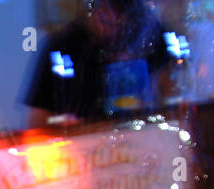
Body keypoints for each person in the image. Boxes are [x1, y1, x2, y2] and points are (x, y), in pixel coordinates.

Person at [24, 0, 177, 125]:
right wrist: (62, 124)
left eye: (120, 12)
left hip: (148, 140)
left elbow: (175, 97)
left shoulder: (154, 37)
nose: (111, 17)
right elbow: (38, 121)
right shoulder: (62, 46)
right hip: (84, 147)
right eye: (103, 8)